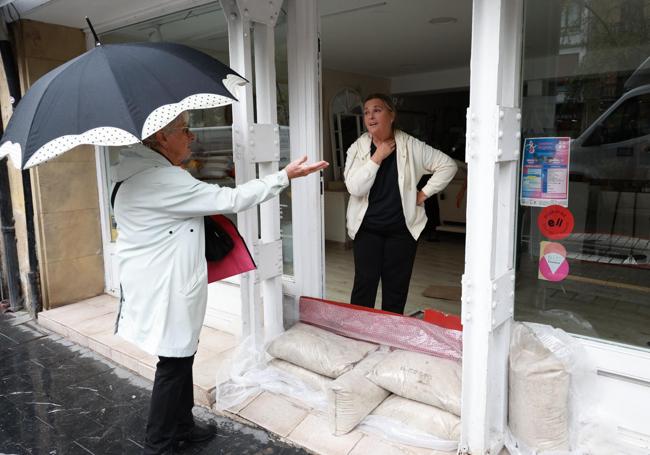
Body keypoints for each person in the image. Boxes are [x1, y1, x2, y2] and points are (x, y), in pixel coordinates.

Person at [111, 111, 328, 455]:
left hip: (158, 282)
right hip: (167, 288)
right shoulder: (159, 179)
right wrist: (283, 176)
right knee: (174, 362)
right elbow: (231, 199)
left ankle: (183, 426)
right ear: (162, 139)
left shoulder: (136, 173)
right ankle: (160, 444)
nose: (191, 137)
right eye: (185, 130)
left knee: (180, 355)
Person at [344, 94, 457, 315]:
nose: (370, 116)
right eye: (366, 112)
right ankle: (357, 334)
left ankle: (391, 336)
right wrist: (378, 157)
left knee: (396, 288)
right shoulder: (356, 149)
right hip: (366, 229)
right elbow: (354, 188)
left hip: (401, 231)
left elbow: (448, 165)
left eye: (377, 110)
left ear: (392, 115)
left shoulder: (411, 145)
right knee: (364, 286)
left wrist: (424, 193)